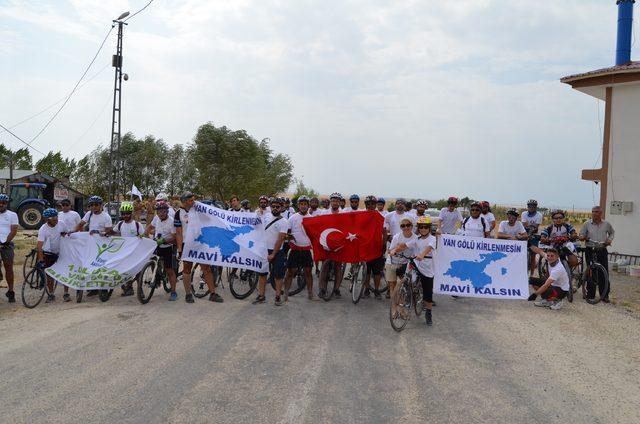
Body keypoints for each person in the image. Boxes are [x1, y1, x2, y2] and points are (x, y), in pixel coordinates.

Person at [175, 191, 223, 304]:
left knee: (206, 268)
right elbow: (178, 233)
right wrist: (180, 249)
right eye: (191, 200)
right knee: (186, 269)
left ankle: (213, 293)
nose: (193, 202)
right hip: (187, 245)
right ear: (184, 202)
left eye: (193, 199)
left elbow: (212, 217)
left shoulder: (198, 209)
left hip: (201, 244)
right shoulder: (178, 214)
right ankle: (188, 294)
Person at [391, 216, 436, 326]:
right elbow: (405, 245)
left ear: (429, 228)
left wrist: (422, 254)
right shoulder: (417, 239)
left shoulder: (432, 238)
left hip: (427, 266)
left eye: (426, 227)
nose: (423, 229)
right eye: (421, 227)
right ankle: (407, 294)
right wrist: (395, 250)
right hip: (416, 263)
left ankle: (428, 313)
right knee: (408, 279)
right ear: (418, 228)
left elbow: (428, 248)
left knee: (427, 292)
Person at [253, 197, 289, 306]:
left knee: (278, 276)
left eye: (277, 207)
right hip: (264, 250)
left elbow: (281, 239)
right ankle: (261, 295)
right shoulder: (266, 217)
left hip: (277, 252)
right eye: (273, 206)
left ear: (281, 208)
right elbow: (255, 226)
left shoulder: (284, 222)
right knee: (262, 274)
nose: (275, 208)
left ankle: (277, 296)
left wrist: (273, 253)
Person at [579, 206, 615, 303]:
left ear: (601, 213)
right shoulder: (587, 224)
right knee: (591, 272)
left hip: (602, 250)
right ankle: (590, 294)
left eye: (596, 212)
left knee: (604, 273)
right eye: (593, 212)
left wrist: (609, 240)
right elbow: (581, 235)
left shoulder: (606, 224)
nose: (594, 213)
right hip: (590, 249)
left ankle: (605, 295)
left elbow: (612, 233)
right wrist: (583, 237)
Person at [145, 201, 179, 301]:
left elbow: (175, 238)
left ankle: (173, 292)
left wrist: (164, 240)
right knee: (153, 262)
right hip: (157, 245)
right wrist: (144, 234)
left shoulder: (171, 221)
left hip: (168, 247)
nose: (161, 213)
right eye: (159, 211)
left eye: (163, 211)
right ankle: (157, 278)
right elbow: (150, 227)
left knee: (169, 270)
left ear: (167, 211)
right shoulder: (156, 218)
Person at [283, 195, 315, 300]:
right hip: (295, 250)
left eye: (305, 204)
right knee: (290, 272)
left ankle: (310, 294)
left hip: (306, 250)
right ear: (298, 205)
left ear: (308, 205)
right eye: (301, 204)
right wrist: (288, 236)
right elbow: (287, 232)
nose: (303, 206)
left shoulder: (311, 218)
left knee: (308, 273)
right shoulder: (293, 218)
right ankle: (286, 294)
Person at [37, 208, 71, 302]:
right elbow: (39, 245)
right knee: (50, 274)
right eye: (53, 219)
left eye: (56, 217)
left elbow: (67, 233)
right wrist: (40, 259)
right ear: (47, 219)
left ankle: (66, 293)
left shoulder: (62, 223)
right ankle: (51, 294)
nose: (56, 220)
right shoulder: (43, 229)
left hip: (61, 252)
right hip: (49, 253)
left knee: (65, 272)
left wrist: (65, 234)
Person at [387, 217, 417, 317]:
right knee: (392, 286)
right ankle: (394, 308)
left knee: (401, 286)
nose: (405, 227)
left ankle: (402, 309)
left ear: (412, 226)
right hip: (392, 262)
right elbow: (390, 251)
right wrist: (395, 250)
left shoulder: (415, 238)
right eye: (403, 226)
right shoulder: (396, 236)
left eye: (408, 225)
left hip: (405, 263)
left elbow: (402, 248)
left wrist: (398, 248)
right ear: (400, 227)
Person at [114, 202, 144, 296]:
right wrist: (104, 234)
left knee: (138, 271)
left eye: (127, 213)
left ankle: (140, 289)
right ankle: (129, 288)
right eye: (123, 214)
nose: (125, 215)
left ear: (131, 213)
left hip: (136, 252)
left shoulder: (137, 224)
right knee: (126, 271)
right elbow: (112, 232)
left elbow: (143, 236)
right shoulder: (120, 224)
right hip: (125, 252)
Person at [320, 193, 345, 297]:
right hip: (326, 242)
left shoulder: (344, 213)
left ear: (340, 202)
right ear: (330, 202)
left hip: (339, 243)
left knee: (338, 267)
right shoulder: (324, 212)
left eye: (337, 201)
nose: (335, 202)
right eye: (333, 200)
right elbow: (319, 225)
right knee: (324, 266)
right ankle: (322, 289)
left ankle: (336, 289)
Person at [363, 195, 385, 299]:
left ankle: (376, 290)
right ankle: (367, 289)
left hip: (377, 247)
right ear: (366, 205)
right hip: (366, 247)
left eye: (372, 204)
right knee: (367, 271)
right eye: (368, 204)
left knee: (377, 272)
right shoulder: (362, 215)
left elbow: (384, 231)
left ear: (375, 205)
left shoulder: (380, 217)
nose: (370, 206)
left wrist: (384, 244)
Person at [522, 199, 543, 276]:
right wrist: (531, 227)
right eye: (529, 206)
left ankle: (532, 274)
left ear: (536, 207)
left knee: (533, 255)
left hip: (535, 235)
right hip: (525, 234)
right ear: (527, 207)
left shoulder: (539, 215)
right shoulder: (524, 213)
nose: (531, 208)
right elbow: (524, 225)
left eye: (533, 206)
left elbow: (536, 227)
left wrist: (530, 227)